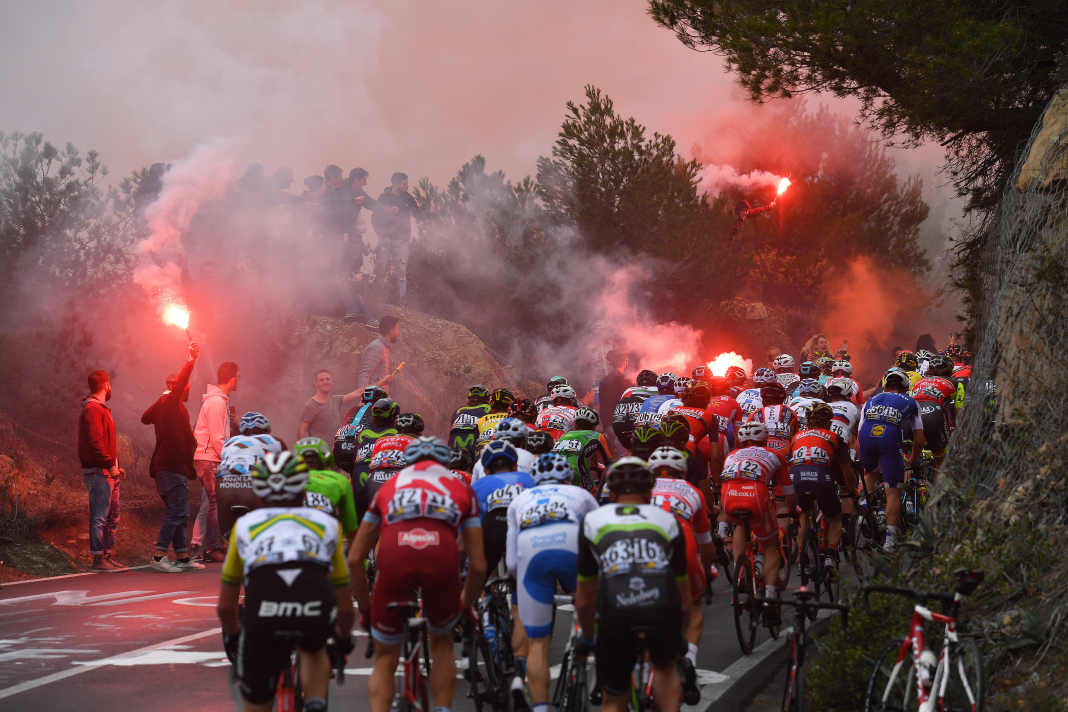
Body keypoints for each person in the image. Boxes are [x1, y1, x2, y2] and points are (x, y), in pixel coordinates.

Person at [348, 437, 486, 712]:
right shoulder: (459, 487)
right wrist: (465, 604)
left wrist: (366, 610)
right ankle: (443, 708)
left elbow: (354, 559)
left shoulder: (388, 488)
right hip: (440, 561)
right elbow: (479, 565)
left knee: (386, 657)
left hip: (395, 561)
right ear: (445, 463)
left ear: (407, 463)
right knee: (442, 642)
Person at [217, 451, 355, 712]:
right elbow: (346, 606)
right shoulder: (326, 524)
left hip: (263, 611)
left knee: (257, 693)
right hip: (313, 604)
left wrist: (236, 638)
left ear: (257, 495)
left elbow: (226, 607)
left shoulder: (245, 526)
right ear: (304, 490)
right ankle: (316, 702)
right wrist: (343, 638)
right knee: (315, 647)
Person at [576, 458, 689, 712]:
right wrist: (680, 636)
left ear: (611, 492)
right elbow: (684, 595)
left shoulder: (593, 520)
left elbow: (584, 599)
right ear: (650, 492)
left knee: (614, 698)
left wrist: (589, 637)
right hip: (661, 605)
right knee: (664, 669)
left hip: (615, 610)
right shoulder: (667, 520)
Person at [507, 453, 599, 712]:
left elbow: (513, 565)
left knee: (537, 642)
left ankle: (540, 707)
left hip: (533, 559)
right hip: (574, 553)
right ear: (568, 478)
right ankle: (592, 649)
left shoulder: (520, 500)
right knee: (596, 606)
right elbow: (598, 537)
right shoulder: (581, 495)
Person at [648, 446, 713, 705]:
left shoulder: (643, 489)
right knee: (694, 608)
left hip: (646, 546)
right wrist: (707, 570)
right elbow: (705, 543)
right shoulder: (693, 491)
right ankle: (690, 660)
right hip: (682, 542)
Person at [718, 421, 792, 625]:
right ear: (765, 439)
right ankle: (769, 598)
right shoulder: (774, 454)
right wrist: (790, 509)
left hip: (729, 497)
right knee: (770, 548)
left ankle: (740, 571)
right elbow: (787, 491)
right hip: (756, 496)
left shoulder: (731, 455)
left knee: (740, 525)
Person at [141, 342, 205, 573]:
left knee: (178, 511)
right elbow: (146, 417)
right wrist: (191, 360)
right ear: (176, 386)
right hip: (169, 468)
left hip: (172, 468)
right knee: (178, 512)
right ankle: (159, 557)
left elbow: (145, 418)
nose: (188, 390)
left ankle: (182, 556)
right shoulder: (169, 403)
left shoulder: (169, 405)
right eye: (184, 386)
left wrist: (162, 400)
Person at [859, 367, 925, 553]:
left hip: (866, 438)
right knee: (893, 492)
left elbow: (859, 436)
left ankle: (862, 509)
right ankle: (890, 541)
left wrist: (865, 462)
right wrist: (912, 460)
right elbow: (919, 439)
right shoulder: (911, 401)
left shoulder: (870, 401)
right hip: (889, 439)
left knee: (869, 474)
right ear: (905, 387)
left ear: (885, 385)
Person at [789, 403, 853, 580]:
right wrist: (850, 489)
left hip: (797, 479)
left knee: (803, 514)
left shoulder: (797, 436)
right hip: (821, 479)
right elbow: (845, 470)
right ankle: (831, 556)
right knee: (834, 518)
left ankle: (802, 555)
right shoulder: (834, 437)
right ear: (829, 422)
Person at [191, 361, 239, 562]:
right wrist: (230, 461)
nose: (239, 381)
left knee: (208, 503)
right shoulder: (216, 402)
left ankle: (197, 545)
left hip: (210, 457)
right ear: (232, 378)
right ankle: (209, 548)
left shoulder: (219, 401)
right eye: (238, 377)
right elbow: (217, 437)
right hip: (209, 458)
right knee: (212, 503)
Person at [78, 369, 126, 572]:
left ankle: (107, 554)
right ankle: (98, 558)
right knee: (100, 515)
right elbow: (96, 443)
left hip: (108, 470)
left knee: (112, 514)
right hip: (99, 471)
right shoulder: (93, 410)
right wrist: (109, 465)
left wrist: (114, 466)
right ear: (106, 386)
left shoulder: (100, 409)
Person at [371, 172, 419, 302]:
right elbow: (375, 217)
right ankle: (378, 299)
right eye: (404, 183)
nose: (407, 186)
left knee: (401, 272)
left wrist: (429, 210)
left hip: (401, 240)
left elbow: (417, 212)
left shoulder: (408, 198)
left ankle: (402, 301)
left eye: (407, 183)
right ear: (396, 184)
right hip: (385, 238)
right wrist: (380, 234)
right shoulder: (384, 198)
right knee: (381, 269)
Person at [297, 369, 366, 443]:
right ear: (316, 383)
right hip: (321, 451)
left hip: (337, 448)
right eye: (321, 380)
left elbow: (358, 392)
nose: (325, 382)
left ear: (332, 382)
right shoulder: (311, 405)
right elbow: (301, 431)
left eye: (328, 379)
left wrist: (380, 383)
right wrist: (305, 449)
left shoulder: (335, 400)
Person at [597, 350, 629, 454]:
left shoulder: (604, 381)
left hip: (609, 424)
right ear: (625, 362)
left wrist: (605, 425)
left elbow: (602, 406)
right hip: (623, 424)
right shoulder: (625, 381)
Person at [356, 316, 399, 390]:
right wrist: (367, 399)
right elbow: (364, 375)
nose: (398, 333)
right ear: (391, 330)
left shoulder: (385, 348)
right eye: (397, 329)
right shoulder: (376, 347)